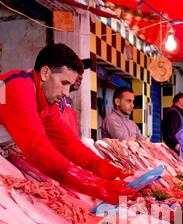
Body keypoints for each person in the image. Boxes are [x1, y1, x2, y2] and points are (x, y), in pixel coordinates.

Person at [0, 44, 134, 204]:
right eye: (64, 82)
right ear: (45, 73)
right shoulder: (16, 86)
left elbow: (69, 144)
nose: (66, 92)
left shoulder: (47, 103)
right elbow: (38, 151)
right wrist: (97, 186)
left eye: (69, 85)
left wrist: (109, 170)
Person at [161, 92, 183, 167]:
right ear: (180, 101)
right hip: (181, 162)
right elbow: (168, 136)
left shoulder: (180, 114)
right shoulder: (173, 114)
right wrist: (178, 148)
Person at [59, 58, 92, 136]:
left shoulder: (68, 100)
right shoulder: (56, 99)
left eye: (81, 72)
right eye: (77, 72)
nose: (81, 77)